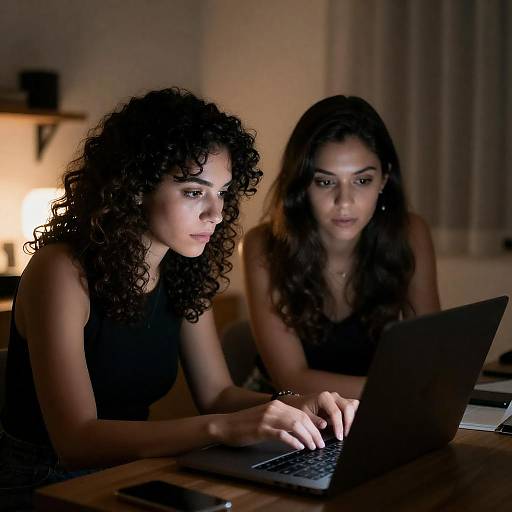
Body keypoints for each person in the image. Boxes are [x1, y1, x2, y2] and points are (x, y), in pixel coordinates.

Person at [0, 88, 359, 511]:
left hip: (131, 468)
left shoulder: (183, 267)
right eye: (194, 192)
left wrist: (293, 403)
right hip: (41, 482)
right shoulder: (60, 272)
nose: (216, 213)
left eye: (223, 193)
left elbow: (219, 394)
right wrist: (222, 429)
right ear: (135, 187)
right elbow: (76, 439)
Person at [242, 95, 441, 399]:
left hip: (376, 410)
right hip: (282, 412)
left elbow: (428, 355)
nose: (345, 202)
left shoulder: (410, 234)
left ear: (384, 179)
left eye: (362, 181)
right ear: (302, 184)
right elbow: (291, 379)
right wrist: (399, 391)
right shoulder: (262, 246)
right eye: (325, 182)